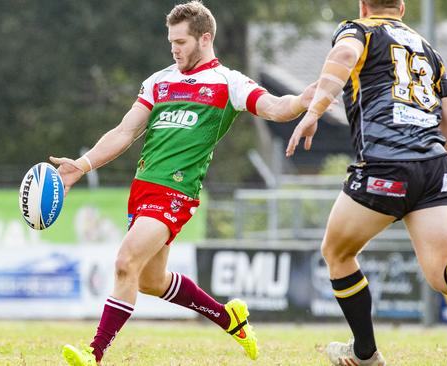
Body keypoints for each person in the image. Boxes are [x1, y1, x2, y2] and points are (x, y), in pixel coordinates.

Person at [51, 2, 316, 365]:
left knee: (126, 262)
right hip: (143, 187)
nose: (173, 49)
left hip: (177, 192)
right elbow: (125, 131)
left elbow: (274, 107)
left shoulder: (228, 82)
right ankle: (228, 318)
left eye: (180, 41)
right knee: (149, 281)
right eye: (171, 41)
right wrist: (80, 167)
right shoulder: (159, 81)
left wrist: (301, 101)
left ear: (204, 38)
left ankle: (93, 352)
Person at [285, 1, 447, 365]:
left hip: (386, 165)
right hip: (435, 166)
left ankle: (365, 353)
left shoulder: (360, 30)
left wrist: (315, 111)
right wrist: (423, 162)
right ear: (403, 7)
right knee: (443, 273)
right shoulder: (429, 50)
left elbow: (345, 53)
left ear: (364, 5)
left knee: (337, 254)